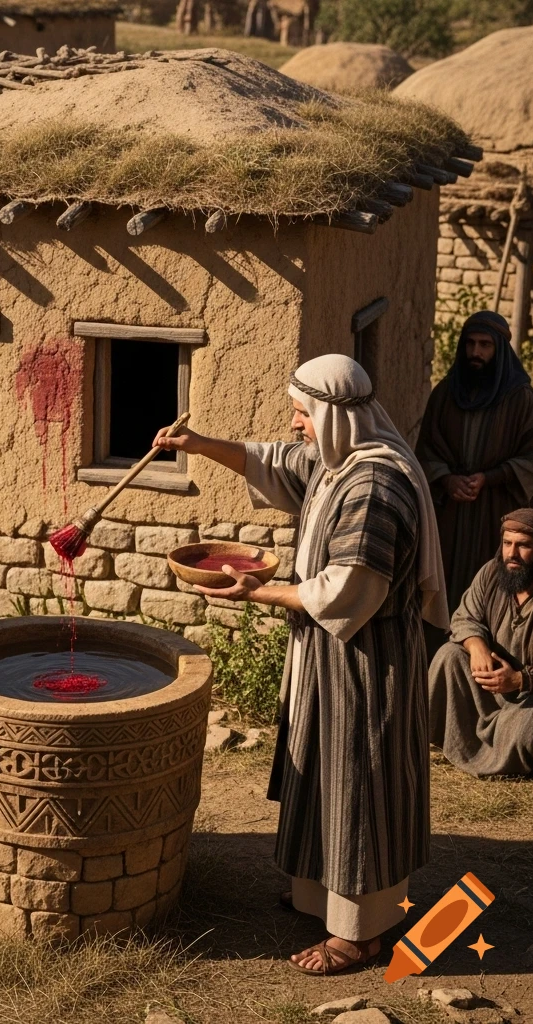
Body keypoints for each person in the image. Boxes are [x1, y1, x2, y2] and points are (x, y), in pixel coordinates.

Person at [155, 355, 448, 976]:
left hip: (367, 663)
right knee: (321, 774)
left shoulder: (376, 486)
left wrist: (253, 590)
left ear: (335, 414)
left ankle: (361, 935)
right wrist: (197, 444)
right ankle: (320, 899)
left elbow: (347, 588)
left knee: (359, 785)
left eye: (301, 413)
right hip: (327, 655)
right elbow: (271, 460)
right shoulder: (337, 462)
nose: (294, 425)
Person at [416, 310, 533, 620]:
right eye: (470, 344)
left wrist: (491, 477)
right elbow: (425, 450)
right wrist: (445, 479)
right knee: (442, 592)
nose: (476, 353)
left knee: (492, 587)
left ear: (500, 350)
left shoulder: (521, 399)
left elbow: (532, 459)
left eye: (485, 345)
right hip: (449, 515)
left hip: (496, 513)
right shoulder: (445, 394)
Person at [429, 509, 533, 777]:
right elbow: (464, 616)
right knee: (449, 655)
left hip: (528, 700)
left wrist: (521, 680)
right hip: (491, 693)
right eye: (507, 543)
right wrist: (476, 646)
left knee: (529, 727)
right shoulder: (492, 573)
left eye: (523, 545)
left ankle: (500, 758)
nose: (512, 554)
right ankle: (438, 739)